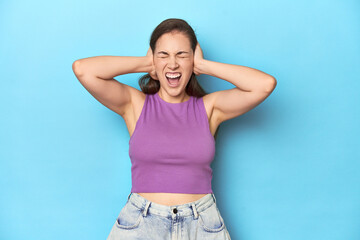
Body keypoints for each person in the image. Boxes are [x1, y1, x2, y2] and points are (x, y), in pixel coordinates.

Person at [72, 18, 276, 240]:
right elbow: (83, 69)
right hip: (142, 223)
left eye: (181, 55)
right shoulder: (136, 105)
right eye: (164, 55)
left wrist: (204, 66)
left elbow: (264, 85)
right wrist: (145, 63)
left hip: (201, 224)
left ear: (193, 61)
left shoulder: (210, 108)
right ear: (153, 60)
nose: (173, 64)